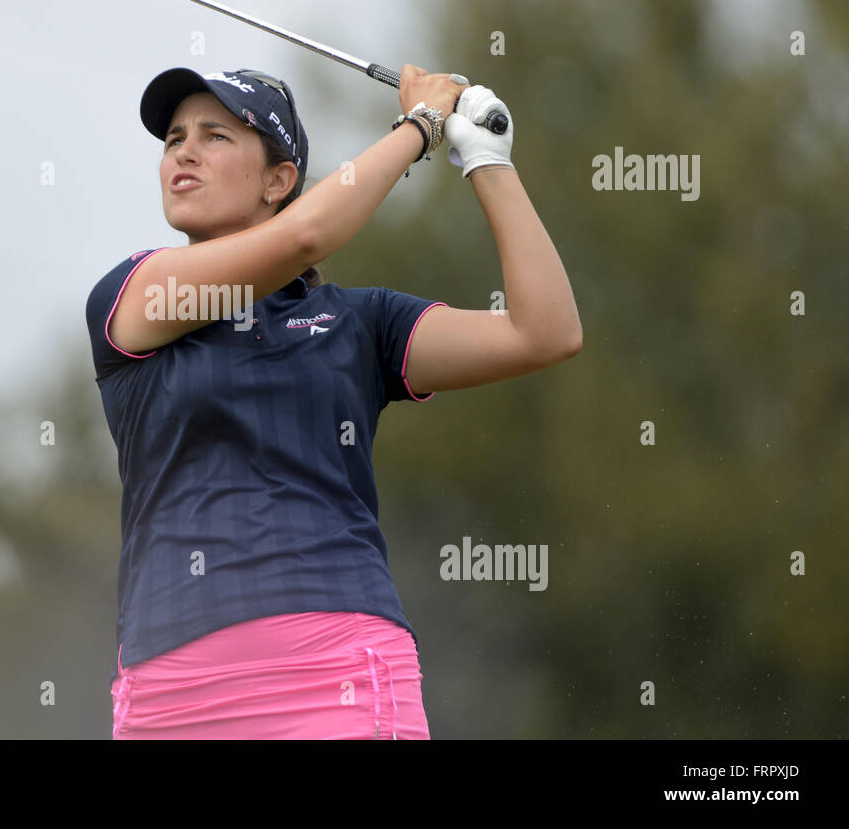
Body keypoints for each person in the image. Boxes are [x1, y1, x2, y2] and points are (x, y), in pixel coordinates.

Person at [85, 65, 582, 739]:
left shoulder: (359, 322)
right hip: (170, 693)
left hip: (335, 674)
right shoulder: (139, 295)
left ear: (278, 180)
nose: (184, 151)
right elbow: (302, 239)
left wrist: (486, 158)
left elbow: (544, 332)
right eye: (174, 137)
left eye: (216, 135)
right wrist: (419, 128)